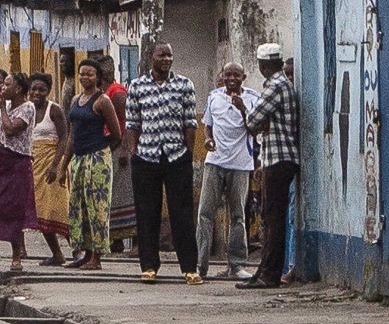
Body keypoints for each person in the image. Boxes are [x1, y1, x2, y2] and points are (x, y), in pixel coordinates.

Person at [126, 38, 204, 282]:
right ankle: (149, 267)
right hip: (146, 157)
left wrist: (188, 155)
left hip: (176, 156)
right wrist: (133, 153)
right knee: (147, 213)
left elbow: (190, 123)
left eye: (170, 56)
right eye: (162, 55)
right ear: (152, 58)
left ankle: (190, 268)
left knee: (182, 213)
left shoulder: (184, 85)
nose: (167, 60)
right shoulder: (137, 87)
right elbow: (132, 124)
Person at [246, 42, 304, 291]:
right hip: (278, 157)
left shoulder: (276, 87)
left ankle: (270, 273)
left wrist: (256, 119)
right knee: (271, 216)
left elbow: (252, 120)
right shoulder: (282, 85)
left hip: (279, 158)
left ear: (263, 65)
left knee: (273, 217)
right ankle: (265, 271)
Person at [57, 57, 121, 269]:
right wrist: (63, 164)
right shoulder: (76, 100)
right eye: (82, 73)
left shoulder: (102, 101)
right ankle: (84, 253)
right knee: (79, 207)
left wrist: (102, 152)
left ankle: (96, 258)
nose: (85, 77)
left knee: (97, 209)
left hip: (97, 160)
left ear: (97, 77)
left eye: (90, 74)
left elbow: (116, 134)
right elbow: (72, 136)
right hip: (79, 159)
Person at [202, 60, 259, 278]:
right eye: (228, 75)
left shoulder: (253, 98)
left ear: (243, 78)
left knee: (237, 215)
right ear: (222, 77)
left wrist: (242, 108)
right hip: (214, 162)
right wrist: (208, 140)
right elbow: (207, 126)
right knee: (205, 214)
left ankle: (237, 265)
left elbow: (254, 130)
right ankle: (201, 265)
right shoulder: (214, 97)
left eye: (236, 76)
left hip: (240, 164)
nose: (232, 79)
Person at [0, 69, 36, 270]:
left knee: (14, 208)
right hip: (1, 159)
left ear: (18, 88)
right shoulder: (9, 105)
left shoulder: (27, 108)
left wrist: (2, 109)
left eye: (7, 84)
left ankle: (16, 256)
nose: (3, 88)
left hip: (18, 162)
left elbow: (11, 129)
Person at [25, 71, 76, 267]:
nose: (37, 93)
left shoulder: (54, 110)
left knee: (60, 209)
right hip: (34, 164)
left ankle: (78, 251)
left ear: (48, 91)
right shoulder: (27, 110)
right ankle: (57, 254)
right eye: (34, 89)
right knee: (41, 212)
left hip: (52, 163)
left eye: (41, 89)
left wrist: (56, 165)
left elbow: (64, 138)